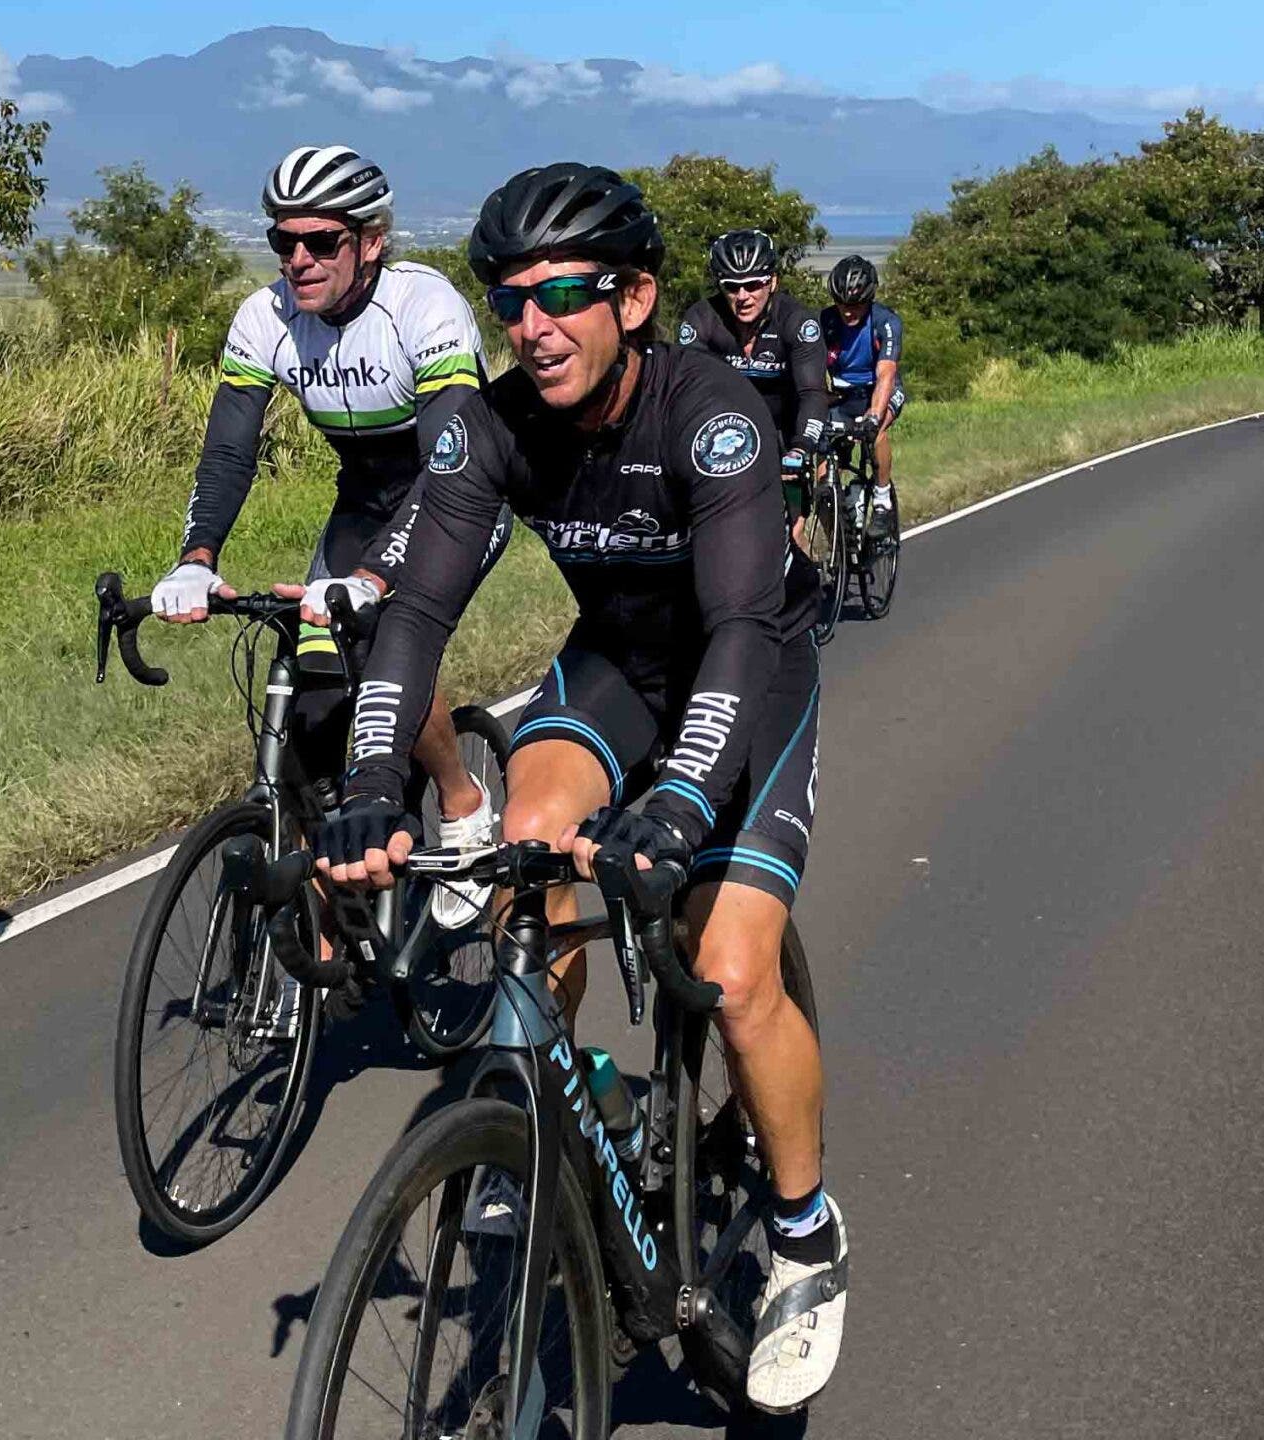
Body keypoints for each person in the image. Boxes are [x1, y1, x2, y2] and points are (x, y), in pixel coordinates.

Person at [312, 163, 847, 1414]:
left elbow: (735, 629)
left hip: (746, 665)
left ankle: (809, 1235)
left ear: (636, 299)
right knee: (529, 842)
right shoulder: (491, 426)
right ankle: (546, 1106)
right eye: (510, 301)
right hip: (612, 662)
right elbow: (416, 614)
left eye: (563, 296)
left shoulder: (709, 414)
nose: (533, 326)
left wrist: (674, 809)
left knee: (728, 966)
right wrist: (373, 784)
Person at [151, 143, 506, 928]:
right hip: (361, 502)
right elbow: (228, 452)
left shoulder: (424, 306)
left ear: (371, 242)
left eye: (322, 242)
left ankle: (460, 799)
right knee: (314, 694)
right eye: (284, 242)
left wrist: (375, 580)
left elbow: (449, 468)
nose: (300, 261)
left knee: (390, 645)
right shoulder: (264, 317)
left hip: (454, 496)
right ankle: (329, 917)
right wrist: (195, 558)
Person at [677, 229, 830, 523]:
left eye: (753, 285)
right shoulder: (702, 319)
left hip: (787, 429)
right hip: (728, 429)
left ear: (772, 282)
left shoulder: (796, 322)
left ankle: (797, 552)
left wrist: (801, 447)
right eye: (732, 287)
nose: (743, 297)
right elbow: (686, 394)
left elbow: (812, 393)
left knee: (791, 525)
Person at [822, 254, 904, 536]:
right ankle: (840, 535)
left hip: (879, 391)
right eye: (842, 304)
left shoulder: (886, 322)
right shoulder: (825, 321)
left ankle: (882, 502)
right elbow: (808, 369)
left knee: (875, 431)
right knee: (823, 452)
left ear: (869, 299)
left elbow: (886, 375)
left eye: (855, 305)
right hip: (843, 394)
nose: (847, 312)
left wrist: (873, 415)